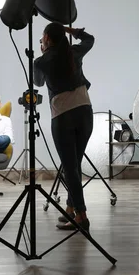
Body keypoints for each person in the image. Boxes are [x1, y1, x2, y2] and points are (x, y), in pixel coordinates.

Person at [33, 22, 94, 231]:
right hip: (86, 112)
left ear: (48, 39)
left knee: (70, 168)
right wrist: (69, 31)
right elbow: (90, 39)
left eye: (43, 38)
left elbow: (38, 83)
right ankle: (70, 208)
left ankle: (82, 217)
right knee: (74, 165)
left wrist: (43, 52)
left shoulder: (42, 61)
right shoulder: (74, 52)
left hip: (63, 115)